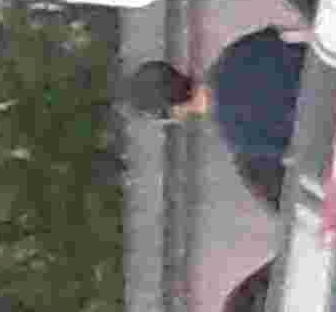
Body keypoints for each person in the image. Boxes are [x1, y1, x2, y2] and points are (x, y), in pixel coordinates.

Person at [129, 25, 308, 212]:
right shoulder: (242, 48)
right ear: (177, 71)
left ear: (171, 114)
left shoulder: (246, 155)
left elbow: (292, 211)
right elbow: (308, 35)